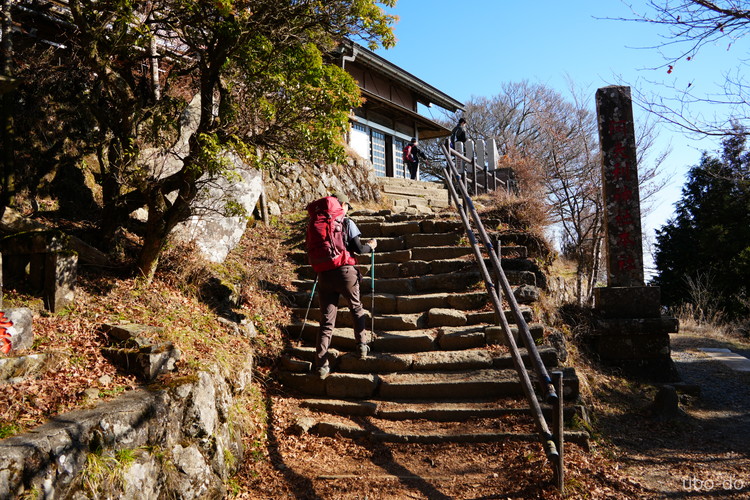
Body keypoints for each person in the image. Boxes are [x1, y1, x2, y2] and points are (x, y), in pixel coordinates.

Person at [315, 193, 377, 379]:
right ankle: (362, 345)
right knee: (356, 308)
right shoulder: (346, 222)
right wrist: (371, 245)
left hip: (324, 274)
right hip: (345, 272)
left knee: (327, 320)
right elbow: (358, 249)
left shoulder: (318, 223)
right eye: (348, 205)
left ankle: (321, 365)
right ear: (342, 205)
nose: (348, 209)